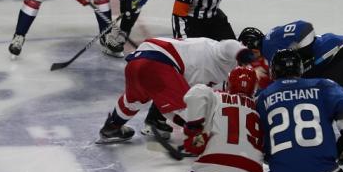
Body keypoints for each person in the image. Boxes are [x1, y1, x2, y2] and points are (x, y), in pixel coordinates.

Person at [96, 37, 255, 143]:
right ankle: (204, 143)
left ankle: (111, 127)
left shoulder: (218, 77)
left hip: (139, 60)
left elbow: (172, 106)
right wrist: (251, 60)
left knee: (133, 101)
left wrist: (183, 121)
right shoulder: (224, 54)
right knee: (190, 110)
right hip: (159, 59)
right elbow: (229, 46)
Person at [162, 66, 264, 172]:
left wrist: (194, 129)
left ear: (227, 84)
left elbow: (198, 92)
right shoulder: (261, 110)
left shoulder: (216, 97)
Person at [239, 20, 343, 93]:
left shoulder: (269, 46)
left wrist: (305, 56)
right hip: (340, 56)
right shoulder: (271, 42)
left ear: (252, 47)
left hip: (341, 57)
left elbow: (305, 27)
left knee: (324, 103)